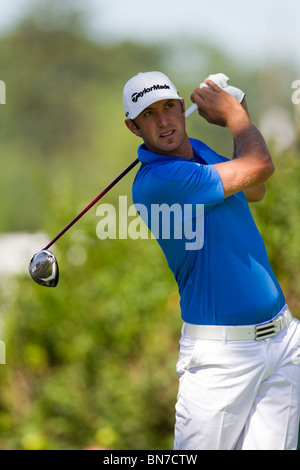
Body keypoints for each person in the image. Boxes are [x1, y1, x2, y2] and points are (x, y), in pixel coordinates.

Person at [122, 71, 300, 450]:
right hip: (222, 360)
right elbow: (260, 165)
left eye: (169, 107)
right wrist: (236, 117)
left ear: (182, 107)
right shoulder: (158, 181)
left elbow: (255, 188)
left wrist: (240, 108)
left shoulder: (199, 152)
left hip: (283, 342)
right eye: (149, 114)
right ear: (133, 127)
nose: (164, 120)